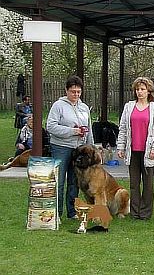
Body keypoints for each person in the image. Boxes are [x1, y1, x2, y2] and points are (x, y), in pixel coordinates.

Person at [116, 77, 154, 220]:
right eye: (137, 89)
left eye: (143, 89)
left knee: (148, 184)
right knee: (133, 184)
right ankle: (134, 212)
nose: (140, 92)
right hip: (132, 151)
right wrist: (120, 147)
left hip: (149, 152)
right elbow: (123, 129)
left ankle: (145, 213)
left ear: (149, 91)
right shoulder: (128, 107)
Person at [46, 75, 93, 220]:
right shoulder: (58, 106)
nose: (76, 95)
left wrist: (91, 147)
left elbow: (89, 128)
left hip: (79, 149)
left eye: (79, 92)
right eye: (73, 91)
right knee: (59, 181)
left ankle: (72, 212)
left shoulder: (84, 107)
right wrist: (71, 131)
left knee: (75, 182)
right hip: (61, 147)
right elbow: (50, 126)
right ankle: (56, 213)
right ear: (66, 90)